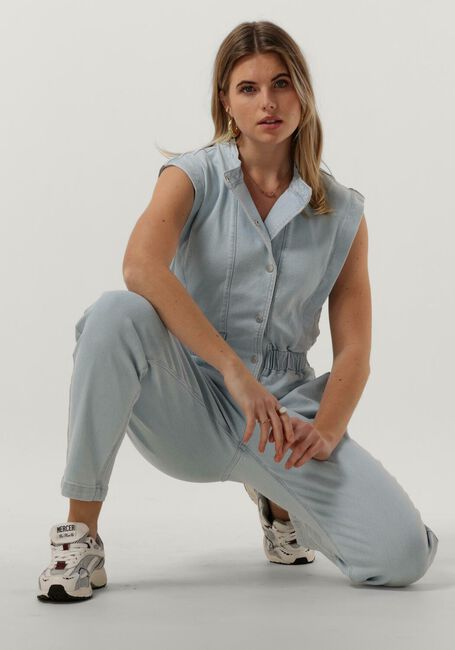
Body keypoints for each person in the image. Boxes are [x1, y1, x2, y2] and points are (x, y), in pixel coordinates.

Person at [37, 20, 439, 602]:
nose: (267, 101)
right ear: (225, 101)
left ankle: (279, 507)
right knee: (114, 314)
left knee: (401, 556)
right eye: (248, 88)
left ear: (303, 93)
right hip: (189, 398)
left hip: (282, 419)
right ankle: (81, 534)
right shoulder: (193, 176)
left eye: (281, 83)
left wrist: (326, 429)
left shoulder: (343, 213)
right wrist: (232, 370)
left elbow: (355, 350)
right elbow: (141, 266)